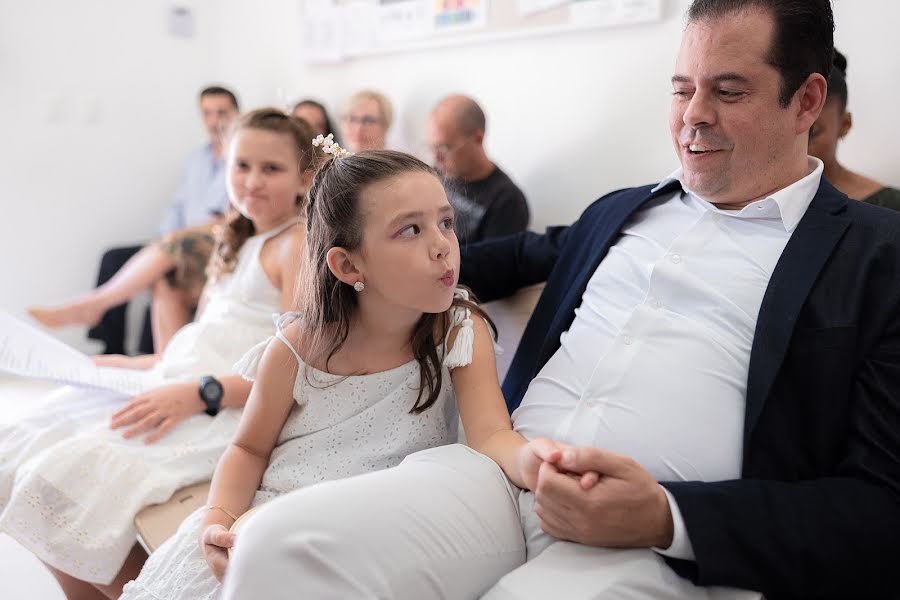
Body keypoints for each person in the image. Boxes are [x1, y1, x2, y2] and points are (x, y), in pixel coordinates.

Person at [221, 1, 900, 599]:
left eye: (728, 91)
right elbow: (493, 259)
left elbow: (881, 507)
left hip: (653, 546)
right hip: (498, 473)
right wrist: (355, 271)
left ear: (807, 102)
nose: (694, 116)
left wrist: (669, 517)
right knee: (278, 550)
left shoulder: (876, 254)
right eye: (681, 89)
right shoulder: (624, 210)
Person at [120, 146, 533, 599]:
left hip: (367, 530)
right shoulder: (296, 347)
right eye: (410, 229)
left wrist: (535, 462)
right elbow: (248, 448)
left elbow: (492, 435)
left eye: (446, 222)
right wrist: (217, 519)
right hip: (275, 517)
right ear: (348, 265)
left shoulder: (458, 328)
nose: (442, 246)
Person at [0, 108, 317, 599]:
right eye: (241, 166)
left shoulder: (293, 243)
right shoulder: (236, 242)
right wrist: (116, 366)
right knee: (20, 443)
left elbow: (299, 368)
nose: (252, 181)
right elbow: (202, 341)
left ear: (305, 177)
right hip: (177, 381)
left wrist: (198, 393)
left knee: (60, 478)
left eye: (271, 169)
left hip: (221, 401)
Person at [85, 86, 240, 355]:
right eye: (207, 114)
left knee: (164, 273)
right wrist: (165, 239)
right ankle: (110, 347)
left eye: (222, 113)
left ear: (237, 114)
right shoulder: (196, 161)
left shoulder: (240, 160)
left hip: (209, 245)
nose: (215, 121)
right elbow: (177, 207)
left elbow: (227, 220)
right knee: (113, 257)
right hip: (173, 240)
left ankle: (154, 354)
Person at [428, 94, 529, 244]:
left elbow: (490, 264)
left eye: (444, 148)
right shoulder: (435, 174)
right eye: (432, 147)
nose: (437, 158)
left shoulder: (507, 201)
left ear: (477, 138)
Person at [807, 49, 900, 210]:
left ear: (845, 125)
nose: (796, 144)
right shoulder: (755, 204)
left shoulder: (891, 209)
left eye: (812, 133)